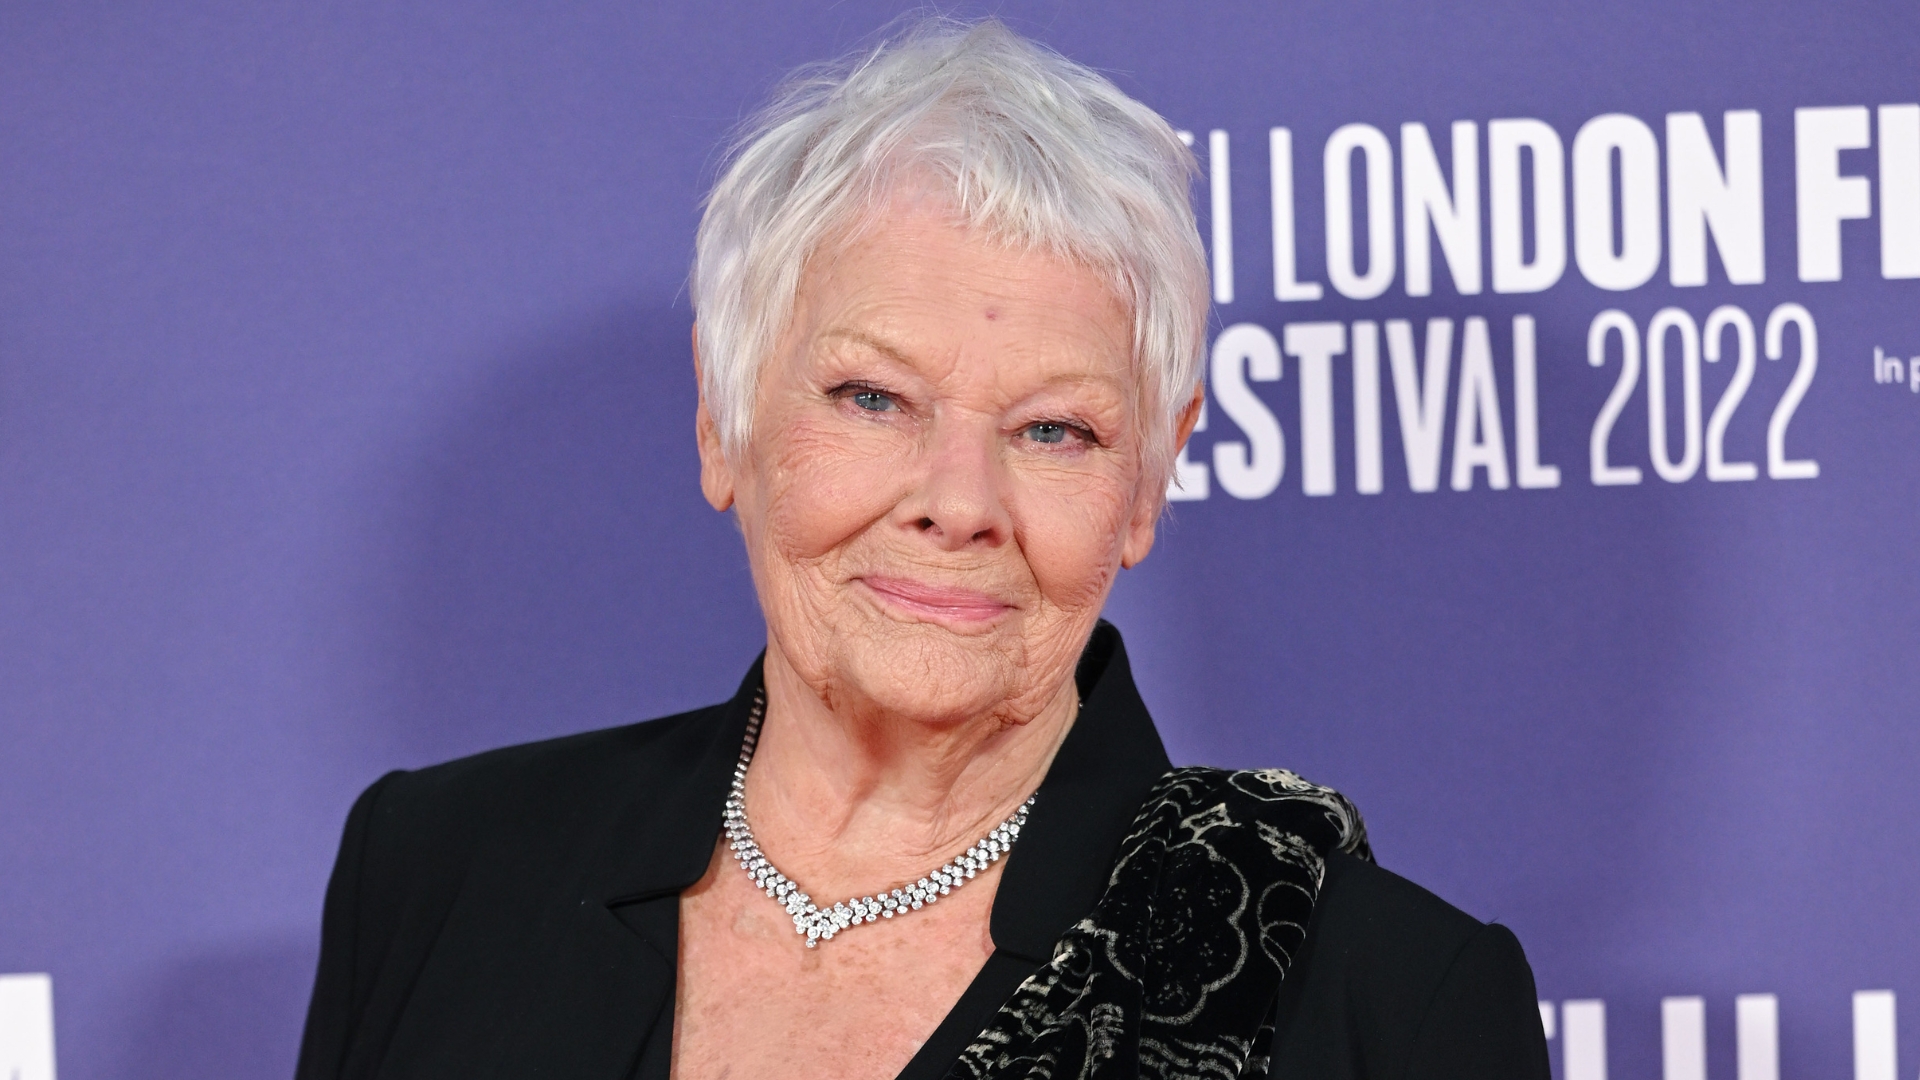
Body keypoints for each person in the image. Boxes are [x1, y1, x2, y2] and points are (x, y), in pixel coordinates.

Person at [295, 18, 1551, 1080]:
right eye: (873, 398)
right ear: (723, 421)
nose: (959, 503)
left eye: (1053, 429)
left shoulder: (1386, 1000)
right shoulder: (438, 872)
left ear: (1145, 482)